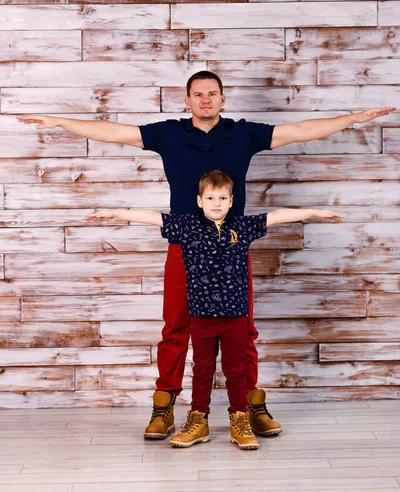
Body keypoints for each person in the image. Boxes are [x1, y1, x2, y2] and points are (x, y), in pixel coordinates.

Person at [17, 71, 395, 439]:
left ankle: (248, 404)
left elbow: (300, 131)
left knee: (242, 329)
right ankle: (164, 405)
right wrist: (58, 121)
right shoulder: (168, 134)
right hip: (184, 246)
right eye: (198, 94)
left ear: (222, 99)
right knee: (176, 327)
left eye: (212, 93)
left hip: (231, 247)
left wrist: (354, 117)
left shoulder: (242, 134)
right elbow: (113, 132)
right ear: (187, 101)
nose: (205, 99)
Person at [85, 170, 344, 450]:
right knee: (202, 370)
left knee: (236, 370)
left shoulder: (242, 227)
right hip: (201, 316)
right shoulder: (186, 226)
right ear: (199, 201)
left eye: (222, 198)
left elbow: (277, 215)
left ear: (231, 201)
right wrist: (113, 212)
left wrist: (317, 213)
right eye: (210, 198)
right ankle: (199, 421)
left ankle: (240, 420)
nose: (216, 203)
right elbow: (152, 216)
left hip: (235, 316)